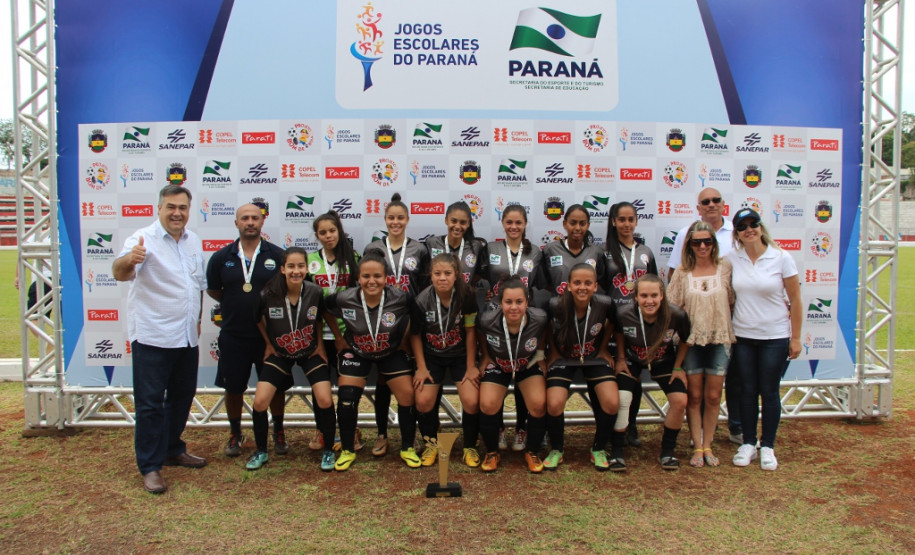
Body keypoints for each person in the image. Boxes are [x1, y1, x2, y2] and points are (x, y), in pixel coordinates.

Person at [112, 185, 207, 494]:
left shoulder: (194, 241)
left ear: (189, 210)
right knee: (150, 404)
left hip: (186, 336)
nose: (177, 213)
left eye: (182, 207)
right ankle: (150, 466)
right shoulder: (142, 239)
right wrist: (130, 259)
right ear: (159, 209)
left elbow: (197, 285)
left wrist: (198, 319)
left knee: (181, 397)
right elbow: (119, 273)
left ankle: (172, 448)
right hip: (153, 335)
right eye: (171, 207)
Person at [324, 254, 420, 470]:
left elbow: (416, 316)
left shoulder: (400, 297)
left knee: (407, 395)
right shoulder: (344, 298)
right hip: (357, 351)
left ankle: (407, 447)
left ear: (386, 278)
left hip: (390, 351)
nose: (372, 281)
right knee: (347, 397)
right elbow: (325, 308)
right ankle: (348, 450)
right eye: (366, 276)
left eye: (377, 276)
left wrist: (404, 341)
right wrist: (338, 338)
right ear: (358, 278)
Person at [205, 204, 286, 458]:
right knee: (233, 388)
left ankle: (279, 431)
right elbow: (214, 290)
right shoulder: (221, 257)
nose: (250, 222)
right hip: (233, 335)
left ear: (262, 222)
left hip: (270, 337)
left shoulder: (278, 255)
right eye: (245, 218)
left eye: (255, 218)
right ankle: (235, 433)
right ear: (236, 223)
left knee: (275, 387)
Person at [726, 208, 802, 471]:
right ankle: (749, 442)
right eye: (742, 226)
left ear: (761, 227)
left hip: (775, 336)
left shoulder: (781, 258)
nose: (749, 230)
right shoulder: (731, 259)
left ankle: (768, 445)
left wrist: (796, 338)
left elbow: (796, 300)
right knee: (747, 390)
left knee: (769, 391)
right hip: (743, 336)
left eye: (753, 224)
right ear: (736, 233)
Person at [247, 247, 333, 471]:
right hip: (281, 353)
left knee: (325, 399)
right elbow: (257, 319)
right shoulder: (268, 294)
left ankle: (328, 451)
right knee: (260, 402)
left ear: (307, 268)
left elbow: (319, 319)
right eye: (291, 266)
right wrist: (269, 343)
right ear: (283, 269)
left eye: (301, 266)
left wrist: (320, 345)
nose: (296, 271)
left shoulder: (315, 292)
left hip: (309, 352)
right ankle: (261, 451)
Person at [666, 187, 740, 445]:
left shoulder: (726, 268)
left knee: (713, 396)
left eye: (707, 241)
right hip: (691, 342)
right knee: (695, 396)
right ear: (689, 244)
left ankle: (708, 445)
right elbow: (672, 307)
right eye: (697, 242)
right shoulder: (682, 272)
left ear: (714, 244)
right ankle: (697, 445)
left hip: (720, 339)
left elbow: (732, 300)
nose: (702, 246)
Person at [363, 193, 430, 457]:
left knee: (412, 379)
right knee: (383, 378)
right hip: (382, 321)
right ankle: (381, 434)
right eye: (391, 217)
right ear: (385, 219)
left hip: (411, 321)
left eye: (400, 217)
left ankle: (414, 436)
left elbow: (424, 287)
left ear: (408, 219)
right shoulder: (373, 249)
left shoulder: (419, 250)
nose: (395, 222)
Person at [479, 204, 545, 452]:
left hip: (524, 320)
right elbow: (477, 277)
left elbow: (542, 285)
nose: (514, 227)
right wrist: (490, 293)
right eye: (509, 222)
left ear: (525, 224)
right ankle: (497, 429)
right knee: (497, 374)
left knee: (523, 375)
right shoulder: (491, 249)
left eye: (518, 222)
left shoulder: (535, 252)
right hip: (496, 320)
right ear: (503, 223)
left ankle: (521, 429)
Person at [544, 263, 621, 471]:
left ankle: (598, 448)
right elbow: (544, 326)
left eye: (588, 283)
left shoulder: (605, 303)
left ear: (596, 286)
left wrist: (603, 348)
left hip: (593, 357)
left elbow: (614, 323)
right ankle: (557, 449)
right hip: (564, 358)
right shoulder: (555, 305)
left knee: (612, 402)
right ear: (568, 286)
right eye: (577, 283)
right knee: (554, 403)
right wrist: (552, 351)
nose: (582, 287)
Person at [410, 254, 481, 468]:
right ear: (430, 275)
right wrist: (421, 368)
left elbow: (471, 331)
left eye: (447, 273)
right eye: (437, 273)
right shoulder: (421, 301)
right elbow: (415, 336)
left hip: (460, 355)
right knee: (423, 401)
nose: (442, 278)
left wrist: (471, 366)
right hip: (432, 356)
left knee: (472, 401)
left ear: (456, 275)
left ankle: (470, 446)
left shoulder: (467, 295)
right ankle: (432, 443)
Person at [614, 275, 690, 470]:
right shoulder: (623, 313)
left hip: (663, 361)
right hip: (632, 359)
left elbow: (685, 340)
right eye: (644, 296)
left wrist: (678, 366)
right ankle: (617, 451)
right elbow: (619, 334)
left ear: (662, 295)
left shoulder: (676, 314)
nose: (649, 301)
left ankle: (667, 451)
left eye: (654, 295)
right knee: (623, 398)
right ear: (636, 297)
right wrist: (621, 359)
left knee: (680, 401)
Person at [477, 278, 549, 473]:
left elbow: (545, 330)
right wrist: (485, 355)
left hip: (526, 364)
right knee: (487, 404)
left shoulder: (540, 318)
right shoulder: (487, 320)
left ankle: (532, 451)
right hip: (500, 364)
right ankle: (492, 452)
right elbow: (480, 333)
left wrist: (540, 353)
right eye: (508, 302)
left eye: (519, 302)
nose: (514, 307)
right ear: (500, 303)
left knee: (539, 404)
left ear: (527, 302)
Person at [603, 201, 659, 449]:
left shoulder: (645, 251)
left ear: (636, 221)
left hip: (638, 324)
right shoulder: (604, 252)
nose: (626, 224)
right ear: (613, 222)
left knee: (634, 378)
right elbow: (599, 287)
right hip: (611, 323)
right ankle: (609, 427)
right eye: (621, 219)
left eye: (630, 219)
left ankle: (631, 425)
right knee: (613, 377)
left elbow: (654, 285)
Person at [306, 210, 363, 452]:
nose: (328, 236)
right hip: (319, 334)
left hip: (348, 334)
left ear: (339, 231)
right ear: (317, 235)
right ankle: (322, 429)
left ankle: (352, 430)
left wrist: (345, 335)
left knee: (348, 388)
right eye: (323, 232)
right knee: (321, 386)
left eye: (332, 230)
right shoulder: (309, 261)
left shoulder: (353, 257)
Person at [541, 204, 606, 297]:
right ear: (565, 224)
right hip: (559, 304)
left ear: (588, 225)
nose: (577, 228)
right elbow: (544, 282)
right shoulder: (550, 250)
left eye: (582, 223)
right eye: (573, 223)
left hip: (587, 305)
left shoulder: (596, 252)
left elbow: (601, 281)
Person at [424, 200, 487, 286]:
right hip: (437, 294)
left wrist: (465, 288)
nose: (457, 226)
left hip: (464, 294)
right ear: (446, 220)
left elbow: (479, 274)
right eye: (453, 221)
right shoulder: (432, 244)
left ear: (468, 223)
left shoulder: (476, 246)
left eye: (463, 222)